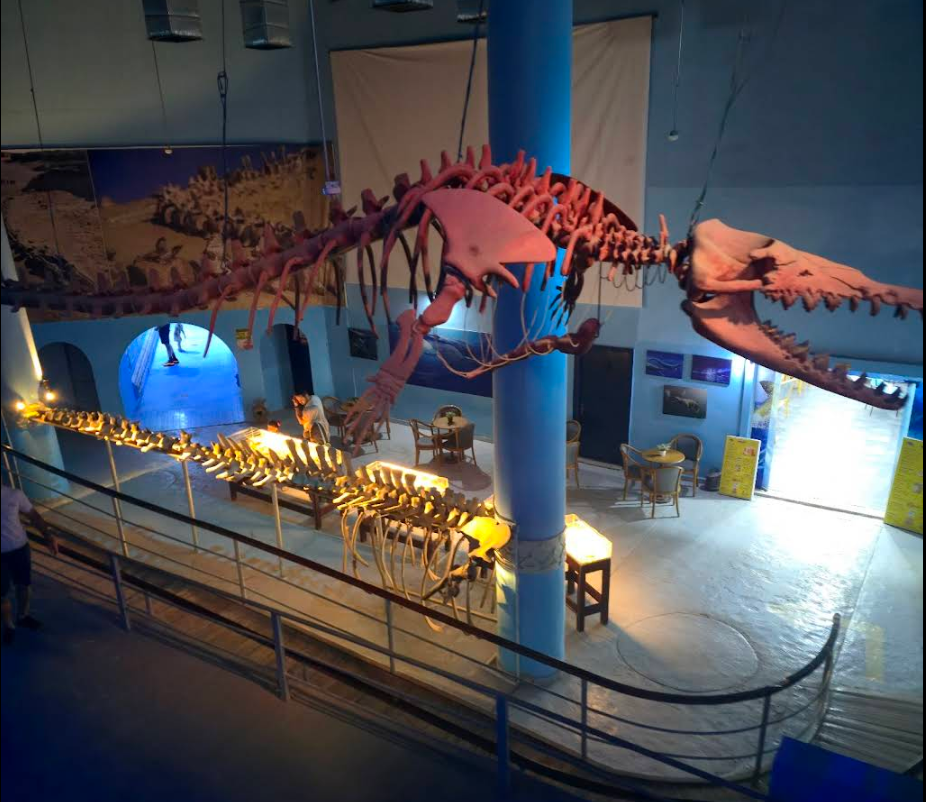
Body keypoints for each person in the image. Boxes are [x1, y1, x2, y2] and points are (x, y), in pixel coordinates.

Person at [2, 484, 58, 645]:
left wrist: (48, 536)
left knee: (24, 586)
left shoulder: (14, 494)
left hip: (20, 549)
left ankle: (22, 616)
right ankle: (8, 625)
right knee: (1, 594)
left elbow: (34, 516)